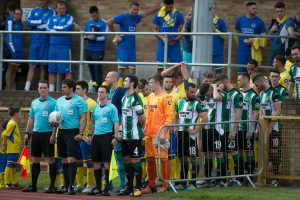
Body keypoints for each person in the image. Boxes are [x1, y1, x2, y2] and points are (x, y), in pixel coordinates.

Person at [106, 1, 159, 86]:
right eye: (134, 9)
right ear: (130, 8)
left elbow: (144, 14)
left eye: (137, 10)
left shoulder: (136, 17)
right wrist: (116, 34)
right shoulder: (123, 17)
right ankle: (119, 88)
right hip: (123, 48)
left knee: (132, 71)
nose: (135, 11)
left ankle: (132, 89)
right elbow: (109, 22)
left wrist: (156, 8)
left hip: (132, 49)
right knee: (121, 70)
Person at [50, 79, 87, 195]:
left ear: (71, 88)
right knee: (64, 159)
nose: (62, 89)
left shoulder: (80, 101)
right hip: (61, 132)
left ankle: (72, 185)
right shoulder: (59, 101)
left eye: (64, 87)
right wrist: (53, 132)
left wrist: (80, 133)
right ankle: (65, 186)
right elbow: (55, 118)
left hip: (73, 132)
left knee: (72, 159)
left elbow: (83, 118)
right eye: (62, 87)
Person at [21, 80, 57, 193]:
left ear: (48, 89)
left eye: (45, 88)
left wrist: (53, 134)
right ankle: (34, 186)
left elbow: (56, 120)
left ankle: (52, 186)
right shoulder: (34, 102)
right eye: (40, 87)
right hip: (36, 134)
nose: (42, 89)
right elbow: (31, 118)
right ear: (38, 89)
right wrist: (27, 133)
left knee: (50, 159)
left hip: (48, 134)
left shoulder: (53, 103)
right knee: (35, 160)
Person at [141, 74, 173, 194]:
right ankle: (152, 185)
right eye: (149, 83)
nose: (149, 85)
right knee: (149, 159)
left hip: (160, 134)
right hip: (150, 134)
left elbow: (169, 118)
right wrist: (145, 127)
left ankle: (166, 184)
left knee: (163, 158)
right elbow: (148, 115)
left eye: (151, 83)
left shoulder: (166, 97)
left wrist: (164, 133)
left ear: (158, 83)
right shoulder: (150, 97)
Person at [86, 85, 119, 196]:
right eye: (99, 92)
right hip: (97, 137)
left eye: (102, 92)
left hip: (107, 136)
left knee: (106, 163)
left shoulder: (111, 108)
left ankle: (107, 187)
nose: (99, 94)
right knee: (95, 162)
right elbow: (93, 122)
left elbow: (116, 123)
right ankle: (98, 187)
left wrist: (115, 137)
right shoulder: (95, 108)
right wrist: (90, 135)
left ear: (107, 94)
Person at [175, 83, 208, 190]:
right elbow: (176, 116)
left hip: (191, 136)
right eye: (191, 92)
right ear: (186, 91)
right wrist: (175, 126)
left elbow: (205, 118)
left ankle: (193, 183)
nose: (194, 94)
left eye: (195, 92)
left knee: (193, 158)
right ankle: (183, 182)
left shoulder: (196, 104)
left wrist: (196, 130)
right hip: (180, 134)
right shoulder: (180, 101)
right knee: (182, 158)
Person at [117, 75, 145, 197]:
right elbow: (123, 118)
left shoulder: (135, 98)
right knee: (126, 161)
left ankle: (138, 188)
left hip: (134, 136)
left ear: (132, 83)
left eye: (126, 80)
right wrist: (119, 131)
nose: (123, 82)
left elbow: (142, 117)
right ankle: (129, 187)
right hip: (124, 136)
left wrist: (139, 129)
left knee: (136, 161)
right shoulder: (124, 98)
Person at [253, 74, 282, 176]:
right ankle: (265, 176)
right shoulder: (261, 94)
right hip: (263, 127)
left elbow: (278, 111)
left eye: (257, 84)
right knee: (265, 150)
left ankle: (276, 177)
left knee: (274, 151)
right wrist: (257, 128)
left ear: (261, 81)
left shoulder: (274, 93)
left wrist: (270, 126)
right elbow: (261, 112)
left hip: (274, 128)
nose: (257, 86)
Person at [216, 75, 243, 186]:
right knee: (221, 153)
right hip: (221, 129)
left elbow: (238, 113)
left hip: (231, 129)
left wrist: (234, 130)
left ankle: (239, 179)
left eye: (220, 84)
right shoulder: (223, 93)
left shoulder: (237, 95)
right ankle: (222, 180)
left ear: (225, 82)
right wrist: (216, 88)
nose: (219, 86)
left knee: (234, 152)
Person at [24, 0, 55, 91]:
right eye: (40, 0)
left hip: (45, 41)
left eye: (43, 0)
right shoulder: (33, 11)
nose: (41, 2)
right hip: (34, 41)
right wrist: (41, 21)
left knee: (43, 66)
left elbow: (49, 25)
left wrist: (37, 24)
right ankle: (26, 88)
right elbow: (28, 23)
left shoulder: (51, 11)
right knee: (32, 65)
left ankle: (41, 88)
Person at [104, 71, 126, 192]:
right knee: (106, 156)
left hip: (116, 130)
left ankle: (123, 184)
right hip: (106, 130)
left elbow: (123, 111)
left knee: (118, 156)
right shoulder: (108, 92)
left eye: (107, 77)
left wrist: (120, 129)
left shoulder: (120, 92)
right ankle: (108, 184)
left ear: (113, 78)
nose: (106, 79)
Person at [75, 81, 97, 194]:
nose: (76, 91)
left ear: (84, 90)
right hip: (75, 137)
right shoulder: (74, 102)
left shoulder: (92, 103)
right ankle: (79, 184)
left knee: (88, 161)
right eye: (75, 89)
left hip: (86, 137)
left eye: (78, 89)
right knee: (77, 161)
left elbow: (93, 121)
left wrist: (90, 135)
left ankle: (90, 184)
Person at [237, 73, 260, 180]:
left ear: (246, 80)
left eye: (239, 80)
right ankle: (240, 176)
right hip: (238, 128)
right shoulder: (239, 94)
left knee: (249, 150)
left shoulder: (254, 95)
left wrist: (251, 129)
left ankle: (250, 177)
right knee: (240, 150)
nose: (238, 82)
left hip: (247, 129)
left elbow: (256, 114)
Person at [47, 1, 73, 92]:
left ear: (65, 9)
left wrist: (56, 29)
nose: (62, 10)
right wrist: (57, 29)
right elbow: (48, 29)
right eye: (60, 8)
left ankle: (69, 90)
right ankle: (51, 91)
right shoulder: (51, 18)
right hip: (52, 47)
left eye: (63, 8)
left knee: (67, 70)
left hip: (64, 47)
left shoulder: (69, 17)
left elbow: (67, 27)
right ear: (56, 9)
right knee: (52, 70)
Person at [153, 0, 184, 71]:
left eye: (170, 7)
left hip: (174, 43)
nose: (169, 9)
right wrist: (163, 38)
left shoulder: (178, 14)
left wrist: (176, 39)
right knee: (160, 66)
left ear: (173, 4)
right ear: (164, 4)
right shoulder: (158, 14)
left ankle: (176, 81)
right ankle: (160, 81)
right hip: (162, 43)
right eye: (167, 7)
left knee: (176, 66)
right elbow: (155, 30)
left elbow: (182, 31)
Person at [234, 1, 266, 72]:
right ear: (247, 9)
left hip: (254, 51)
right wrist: (240, 43)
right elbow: (235, 34)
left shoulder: (259, 22)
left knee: (254, 72)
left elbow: (264, 38)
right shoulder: (240, 20)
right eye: (253, 8)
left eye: (256, 8)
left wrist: (254, 41)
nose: (255, 10)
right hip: (242, 51)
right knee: (241, 71)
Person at [84, 6, 108, 89]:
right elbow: (84, 34)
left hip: (98, 50)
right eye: (91, 16)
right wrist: (86, 36)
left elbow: (104, 37)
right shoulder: (88, 23)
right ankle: (94, 86)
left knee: (97, 68)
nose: (93, 18)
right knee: (91, 69)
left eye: (94, 16)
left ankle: (99, 88)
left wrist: (95, 38)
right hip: (88, 49)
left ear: (98, 13)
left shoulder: (104, 23)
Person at [1, 107, 22, 189]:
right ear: (16, 114)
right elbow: (6, 135)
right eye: (20, 113)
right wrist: (4, 145)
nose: (21, 115)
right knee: (9, 165)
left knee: (13, 166)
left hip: (15, 149)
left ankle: (14, 182)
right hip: (12, 149)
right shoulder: (12, 123)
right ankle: (7, 183)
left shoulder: (14, 123)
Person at [5, 8, 23, 90]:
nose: (18, 16)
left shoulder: (20, 24)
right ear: (14, 14)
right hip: (12, 50)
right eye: (16, 14)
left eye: (20, 14)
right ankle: (9, 90)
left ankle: (11, 88)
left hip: (19, 50)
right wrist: (13, 50)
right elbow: (8, 37)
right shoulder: (10, 22)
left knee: (15, 69)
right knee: (10, 68)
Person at [267, 2, 287, 66]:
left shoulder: (288, 22)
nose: (279, 13)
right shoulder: (273, 22)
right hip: (273, 52)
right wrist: (272, 30)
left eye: (281, 11)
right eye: (277, 11)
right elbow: (267, 38)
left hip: (283, 52)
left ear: (284, 10)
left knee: (282, 71)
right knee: (271, 70)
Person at [213, 2, 227, 75]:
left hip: (217, 52)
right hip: (204, 53)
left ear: (215, 8)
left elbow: (225, 36)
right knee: (205, 73)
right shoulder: (201, 21)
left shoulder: (220, 21)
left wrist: (215, 30)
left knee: (219, 74)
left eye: (213, 7)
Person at [0, 120, 9, 189]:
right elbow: (4, 142)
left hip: (5, 152)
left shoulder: (4, 132)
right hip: (4, 153)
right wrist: (4, 147)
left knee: (5, 167)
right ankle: (2, 182)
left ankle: (5, 182)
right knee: (3, 168)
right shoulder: (5, 133)